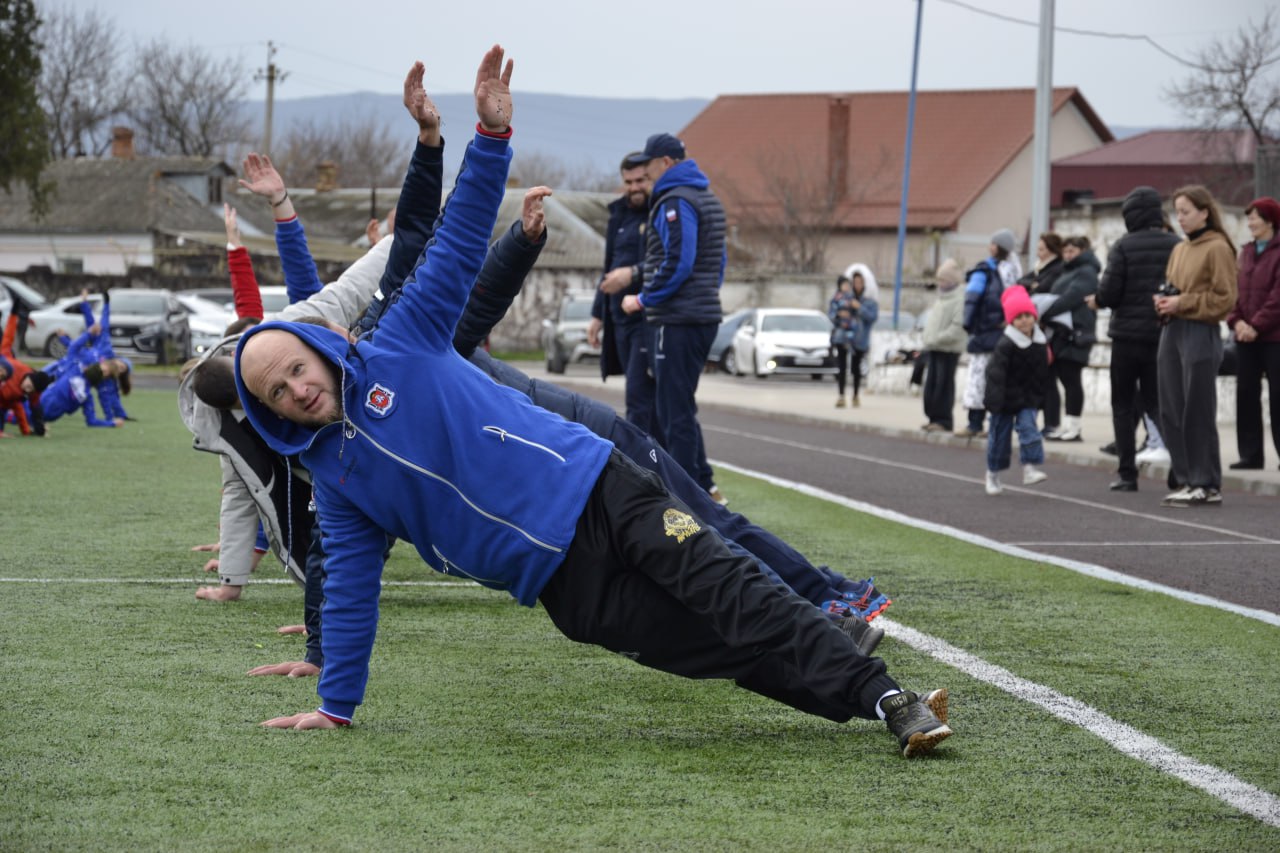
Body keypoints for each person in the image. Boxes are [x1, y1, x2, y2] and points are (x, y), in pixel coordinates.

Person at [233, 47, 951, 757]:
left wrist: (489, 137)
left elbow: (451, 241)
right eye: (277, 394)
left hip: (602, 487)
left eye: (295, 368)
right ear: (273, 413)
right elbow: (352, 586)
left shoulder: (402, 341)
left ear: (319, 349)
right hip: (566, 587)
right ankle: (857, 691)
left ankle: (887, 696)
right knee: (716, 648)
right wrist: (336, 705)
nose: (296, 390)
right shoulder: (336, 479)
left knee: (730, 588)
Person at [620, 132, 726, 505]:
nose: (645, 173)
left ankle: (686, 498)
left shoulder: (675, 200)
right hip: (700, 314)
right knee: (681, 406)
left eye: (648, 166)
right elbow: (718, 265)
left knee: (672, 412)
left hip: (678, 320)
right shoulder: (706, 197)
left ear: (665, 163)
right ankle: (705, 487)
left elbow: (678, 261)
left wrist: (644, 299)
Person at [1091, 186, 1182, 491]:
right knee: (1161, 403)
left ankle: (1127, 473)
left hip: (1127, 338)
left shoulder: (1123, 246)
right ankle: (1180, 470)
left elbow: (1109, 294)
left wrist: (1098, 301)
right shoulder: (1177, 245)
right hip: (1164, 334)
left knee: (1123, 404)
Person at [1156, 184, 1238, 507]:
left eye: (1186, 212)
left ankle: (1206, 482)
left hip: (1200, 331)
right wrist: (1162, 301)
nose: (1180, 218)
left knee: (1197, 408)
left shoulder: (1217, 248)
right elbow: (1173, 287)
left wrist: (1182, 302)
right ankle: (1186, 477)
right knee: (1171, 407)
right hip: (1172, 332)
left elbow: (1225, 299)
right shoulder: (1179, 249)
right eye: (1177, 211)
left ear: (1205, 212)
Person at [590, 154, 659, 439]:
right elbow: (610, 267)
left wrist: (632, 274)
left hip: (648, 318)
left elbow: (666, 262)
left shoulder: (661, 212)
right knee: (637, 397)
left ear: (652, 178)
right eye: (629, 182)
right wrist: (597, 314)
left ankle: (643, 470)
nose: (635, 188)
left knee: (640, 401)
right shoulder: (618, 214)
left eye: (641, 180)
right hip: (620, 320)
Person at [1226, 196, 1280, 470]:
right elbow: (1234, 292)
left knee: (1278, 396)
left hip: (1274, 338)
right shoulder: (1245, 252)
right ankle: (1250, 455)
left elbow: (1277, 297)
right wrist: (1236, 322)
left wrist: (1256, 326)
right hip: (1245, 337)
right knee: (1246, 394)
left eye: (1255, 217)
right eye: (1248, 218)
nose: (1250, 222)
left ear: (1270, 220)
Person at [983, 286, 1050, 495]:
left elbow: (1040, 374)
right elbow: (994, 374)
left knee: (1030, 429)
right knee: (999, 438)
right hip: (1004, 399)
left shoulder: (1040, 343)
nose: (1024, 321)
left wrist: (1040, 398)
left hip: (1027, 398)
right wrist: (994, 401)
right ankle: (993, 473)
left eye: (1028, 315)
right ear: (1011, 321)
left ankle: (1029, 468)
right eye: (1018, 317)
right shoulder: (1006, 344)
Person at [957, 229, 1016, 438]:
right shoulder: (1010, 271)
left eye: (994, 243)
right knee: (992, 378)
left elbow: (972, 299)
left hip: (985, 331)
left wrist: (968, 322)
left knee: (980, 377)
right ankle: (986, 423)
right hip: (1000, 331)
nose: (990, 246)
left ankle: (976, 423)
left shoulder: (984, 271)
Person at [1040, 236, 1100, 443]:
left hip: (1076, 334)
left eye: (1072, 251)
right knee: (1058, 379)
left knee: (1071, 380)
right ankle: (1061, 425)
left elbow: (1072, 297)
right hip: (1060, 333)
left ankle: (1073, 427)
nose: (1067, 255)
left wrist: (1044, 313)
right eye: (1065, 252)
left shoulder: (1087, 272)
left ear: (1083, 251)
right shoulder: (1068, 271)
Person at [920, 258, 967, 432]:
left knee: (944, 385)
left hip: (948, 350)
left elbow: (957, 327)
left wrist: (937, 338)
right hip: (934, 347)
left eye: (944, 279)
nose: (940, 283)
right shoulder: (941, 298)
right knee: (932, 386)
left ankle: (944, 420)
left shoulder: (959, 299)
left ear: (952, 280)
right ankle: (933, 418)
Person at [829, 268, 878, 407]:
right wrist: (839, 315)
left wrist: (859, 307)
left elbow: (872, 317)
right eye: (854, 282)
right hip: (842, 336)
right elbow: (833, 313)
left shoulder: (869, 301)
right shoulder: (842, 298)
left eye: (860, 282)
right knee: (842, 367)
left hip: (859, 338)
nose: (857, 285)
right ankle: (841, 396)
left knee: (856, 368)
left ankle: (855, 395)